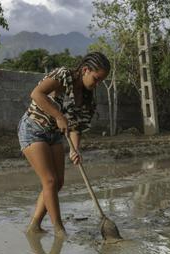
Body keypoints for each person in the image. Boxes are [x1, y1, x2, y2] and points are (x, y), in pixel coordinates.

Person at [18, 52, 110, 236]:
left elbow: (75, 127)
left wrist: (75, 150)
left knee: (58, 183)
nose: (97, 84)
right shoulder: (63, 75)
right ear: (85, 70)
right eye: (96, 78)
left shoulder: (87, 98)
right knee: (50, 181)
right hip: (33, 129)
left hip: (54, 135)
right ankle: (59, 230)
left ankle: (35, 225)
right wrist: (59, 116)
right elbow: (36, 94)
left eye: (101, 81)